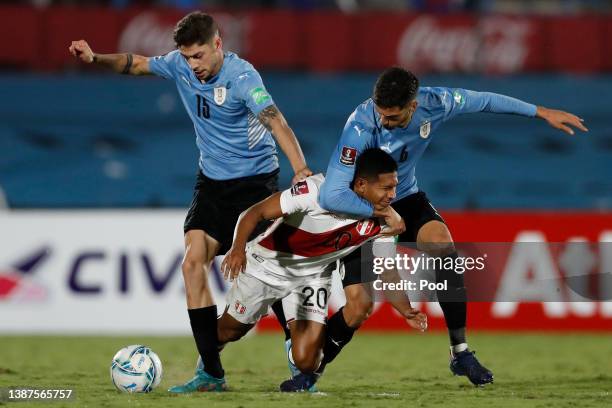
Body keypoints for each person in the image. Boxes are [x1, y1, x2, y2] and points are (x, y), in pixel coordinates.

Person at [281, 67, 588, 389]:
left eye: (393, 116)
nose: (384, 121)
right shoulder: (360, 126)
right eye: (381, 114)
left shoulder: (438, 102)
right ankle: (310, 371)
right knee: (359, 307)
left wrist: (539, 112)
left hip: (405, 197)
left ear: (413, 106)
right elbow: (333, 195)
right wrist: (382, 215)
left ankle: (460, 351)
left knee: (442, 243)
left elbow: (483, 100)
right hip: (356, 208)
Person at [69, 11, 312, 392]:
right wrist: (95, 58)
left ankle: (299, 360)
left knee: (269, 276)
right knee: (191, 264)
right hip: (212, 186)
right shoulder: (180, 67)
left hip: (256, 185)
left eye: (198, 55)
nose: (192, 65)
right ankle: (212, 374)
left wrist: (300, 170)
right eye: (186, 57)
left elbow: (275, 120)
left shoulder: (243, 77)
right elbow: (135, 64)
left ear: (218, 44)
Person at [191, 148, 425, 392]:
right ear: (362, 184)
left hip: (313, 276)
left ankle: (295, 333)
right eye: (386, 188)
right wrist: (237, 249)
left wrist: (407, 310)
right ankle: (206, 368)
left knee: (307, 362)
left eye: (395, 187)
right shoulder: (316, 190)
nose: (393, 195)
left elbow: (387, 271)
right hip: (268, 266)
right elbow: (255, 212)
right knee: (229, 330)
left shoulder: (387, 220)